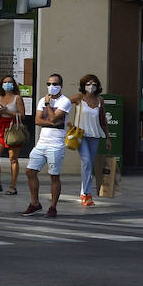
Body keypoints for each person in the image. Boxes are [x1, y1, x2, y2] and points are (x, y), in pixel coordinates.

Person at [23, 72, 71, 217]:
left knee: (54, 176)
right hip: (41, 142)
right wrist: (52, 122)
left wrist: (48, 105)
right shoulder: (41, 100)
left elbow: (53, 116)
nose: (51, 86)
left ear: (61, 86)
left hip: (56, 144)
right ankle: (35, 203)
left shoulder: (65, 101)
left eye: (55, 84)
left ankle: (53, 207)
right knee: (30, 171)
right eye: (49, 84)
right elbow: (38, 121)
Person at [69, 73, 110, 207]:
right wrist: (68, 124)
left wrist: (108, 138)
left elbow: (103, 120)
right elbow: (63, 106)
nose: (91, 86)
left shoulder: (100, 100)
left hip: (95, 135)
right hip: (80, 135)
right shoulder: (79, 98)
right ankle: (86, 194)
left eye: (94, 84)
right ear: (83, 85)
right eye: (88, 83)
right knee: (86, 161)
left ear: (97, 86)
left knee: (89, 165)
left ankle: (83, 191)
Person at [0, 74, 27, 195]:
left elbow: (22, 115)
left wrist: (7, 111)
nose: (7, 84)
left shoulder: (17, 98)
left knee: (13, 158)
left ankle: (13, 185)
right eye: (5, 82)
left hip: (13, 127)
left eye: (10, 82)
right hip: (1, 126)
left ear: (13, 84)